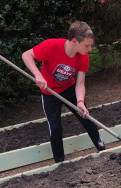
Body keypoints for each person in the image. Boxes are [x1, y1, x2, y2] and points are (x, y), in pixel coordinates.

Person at [22, 21, 105, 163]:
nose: (90, 49)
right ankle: (59, 163)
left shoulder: (83, 56)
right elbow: (26, 55)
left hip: (69, 90)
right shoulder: (52, 45)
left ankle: (102, 149)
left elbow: (80, 84)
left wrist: (80, 101)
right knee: (55, 128)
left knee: (85, 117)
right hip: (50, 93)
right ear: (74, 41)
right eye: (87, 45)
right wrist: (38, 75)